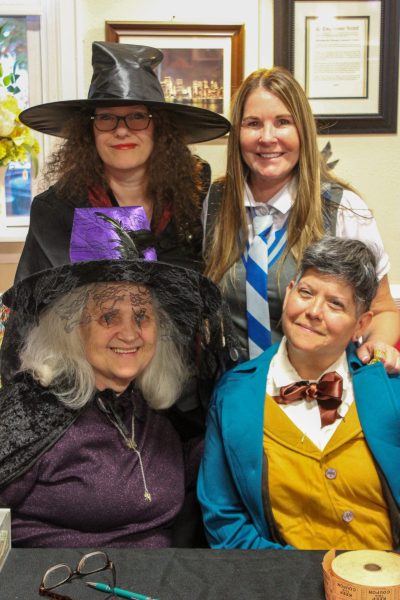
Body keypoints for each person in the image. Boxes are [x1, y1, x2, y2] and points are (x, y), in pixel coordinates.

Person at [1, 40, 229, 384]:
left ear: (159, 127)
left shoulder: (196, 201)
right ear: (89, 130)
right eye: (106, 118)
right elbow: (28, 312)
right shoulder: (57, 210)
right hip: (85, 397)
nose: (122, 130)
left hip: (180, 392)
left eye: (137, 117)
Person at [0, 214, 233, 548]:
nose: (129, 333)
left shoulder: (144, 410)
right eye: (109, 316)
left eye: (142, 317)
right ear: (71, 328)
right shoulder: (28, 414)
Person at [198, 236, 400, 551]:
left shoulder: (389, 387)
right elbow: (224, 522)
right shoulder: (234, 395)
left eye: (336, 303)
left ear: (361, 323)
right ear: (289, 291)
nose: (314, 311)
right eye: (306, 293)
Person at [203, 66, 400, 371]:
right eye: (253, 123)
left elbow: (384, 308)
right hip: (232, 394)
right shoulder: (213, 201)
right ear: (238, 133)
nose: (267, 138)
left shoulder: (344, 209)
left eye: (282, 122)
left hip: (316, 396)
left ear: (302, 130)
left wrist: (377, 346)